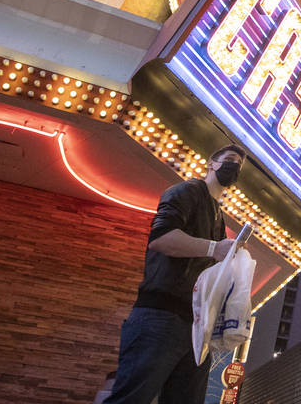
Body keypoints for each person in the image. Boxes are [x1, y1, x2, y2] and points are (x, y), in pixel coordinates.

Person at [103, 145, 247, 404]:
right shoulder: (187, 191)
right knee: (132, 398)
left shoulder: (219, 218)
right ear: (211, 163)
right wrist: (215, 248)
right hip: (161, 316)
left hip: (195, 329)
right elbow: (161, 239)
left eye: (239, 165)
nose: (234, 167)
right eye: (229, 160)